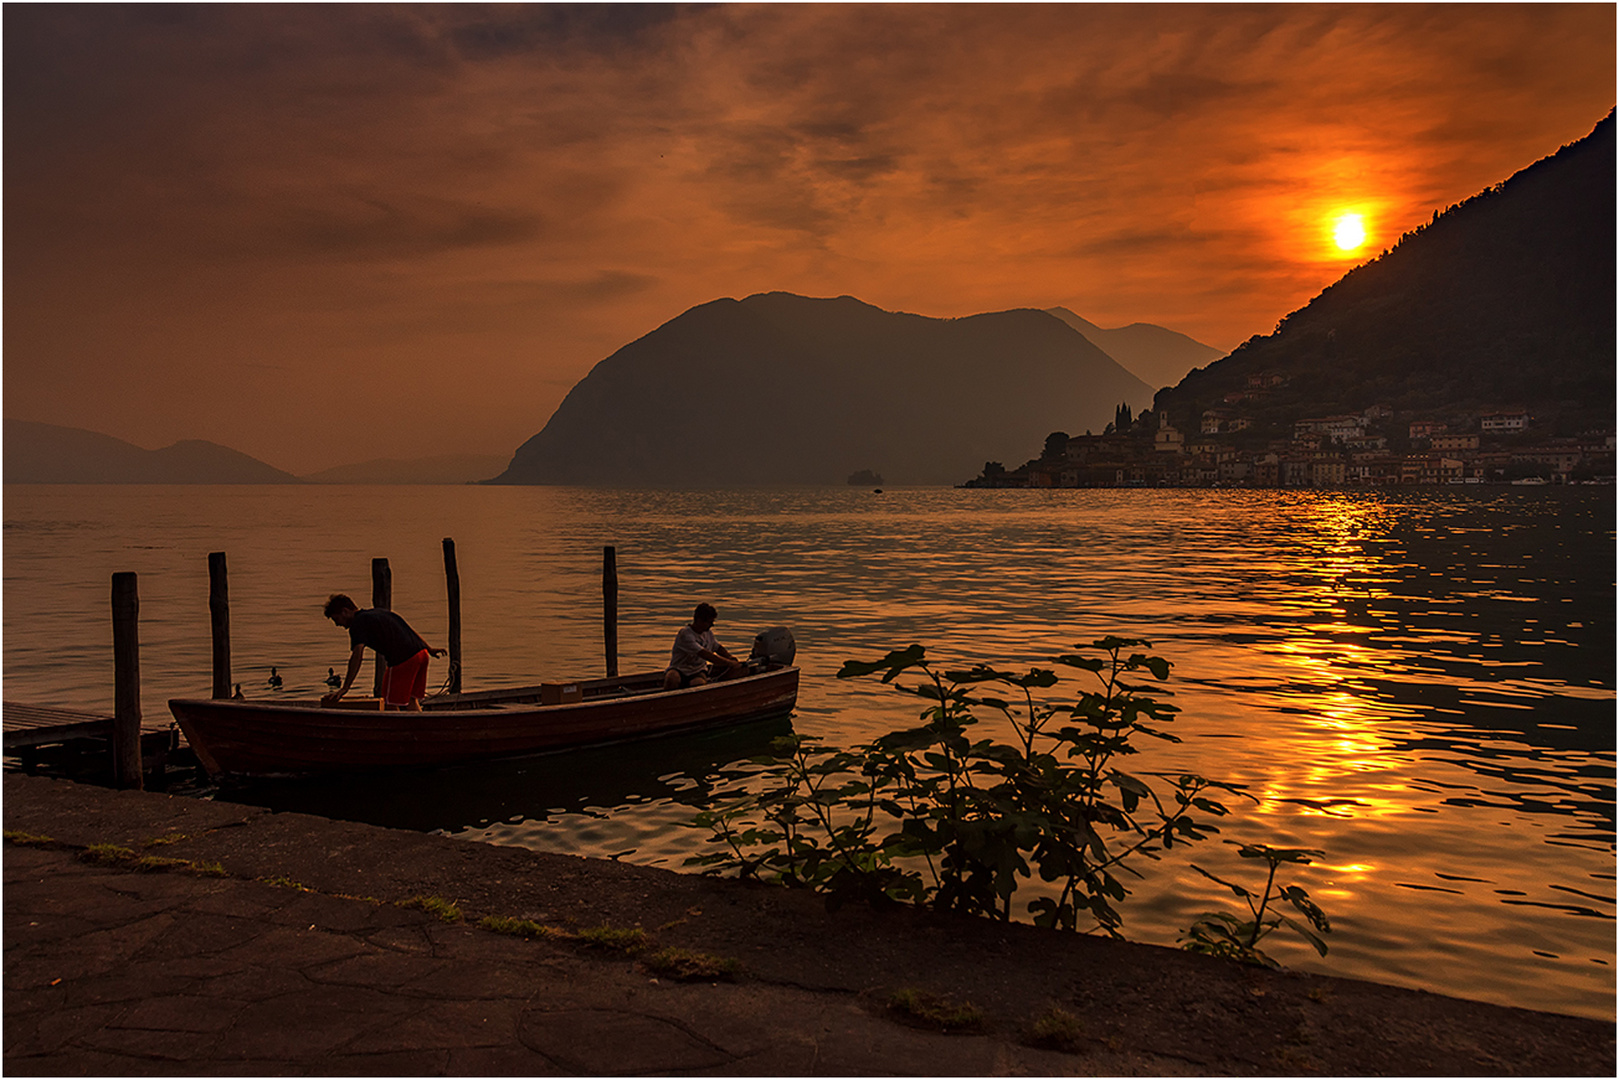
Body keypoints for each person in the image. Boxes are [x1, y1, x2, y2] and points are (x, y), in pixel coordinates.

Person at [321, 593, 446, 711]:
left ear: (345, 611)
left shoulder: (357, 624)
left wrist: (345, 688)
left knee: (389, 703)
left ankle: (396, 732)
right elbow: (408, 629)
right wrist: (429, 649)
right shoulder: (378, 612)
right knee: (411, 699)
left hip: (404, 660)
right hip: (421, 654)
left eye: (336, 619)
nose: (337, 624)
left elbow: (357, 656)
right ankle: (421, 730)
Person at [663, 602, 747, 691]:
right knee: (672, 678)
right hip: (679, 669)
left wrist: (730, 657)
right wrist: (728, 663)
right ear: (699, 620)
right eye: (709, 622)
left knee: (698, 683)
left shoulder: (708, 633)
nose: (712, 625)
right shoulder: (685, 634)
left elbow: (718, 648)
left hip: (697, 671)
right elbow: (705, 654)